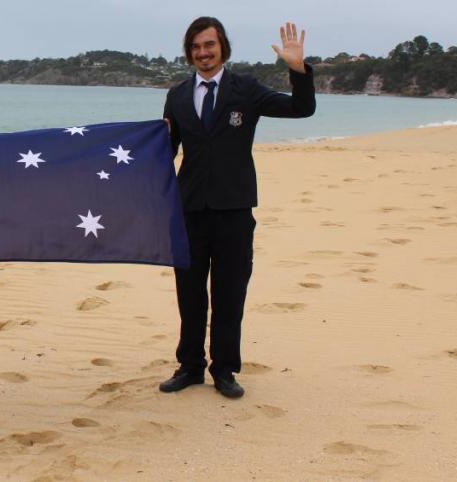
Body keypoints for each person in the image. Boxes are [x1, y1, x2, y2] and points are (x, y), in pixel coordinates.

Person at [160, 18, 316, 398]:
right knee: (190, 293)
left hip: (234, 210)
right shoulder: (178, 95)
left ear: (222, 48)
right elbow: (168, 151)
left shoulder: (246, 90)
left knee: (230, 294)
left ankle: (225, 369)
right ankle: (191, 366)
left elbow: (301, 108)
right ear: (189, 52)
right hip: (190, 210)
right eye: (196, 47)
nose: (203, 53)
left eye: (209, 45)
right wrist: (154, 142)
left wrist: (298, 70)